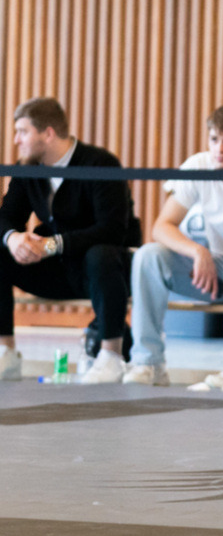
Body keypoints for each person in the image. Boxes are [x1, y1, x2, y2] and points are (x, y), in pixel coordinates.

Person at [124, 105, 223, 386]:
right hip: (207, 268)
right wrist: (197, 251)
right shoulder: (198, 165)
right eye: (214, 139)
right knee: (148, 255)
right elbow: (161, 226)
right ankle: (148, 362)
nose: (219, 149)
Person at [0, 97, 136, 383]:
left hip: (101, 270)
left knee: (101, 254)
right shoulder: (28, 167)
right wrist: (13, 239)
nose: (16, 140)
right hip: (54, 269)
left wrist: (53, 244)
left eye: (23, 132)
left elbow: (113, 230)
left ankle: (111, 356)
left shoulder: (101, 163)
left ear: (47, 134)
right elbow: (7, 216)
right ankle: (6, 352)